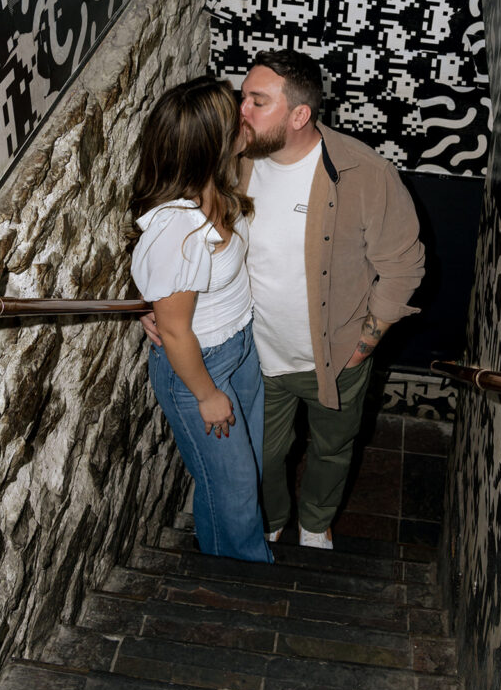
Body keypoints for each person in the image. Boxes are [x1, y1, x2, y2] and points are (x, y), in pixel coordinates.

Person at [145, 50, 425, 551]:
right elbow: (185, 239)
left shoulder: (365, 173)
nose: (241, 112)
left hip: (337, 357)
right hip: (255, 356)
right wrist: (164, 312)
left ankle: (316, 522)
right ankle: (271, 518)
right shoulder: (233, 161)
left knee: (332, 449)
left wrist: (367, 339)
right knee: (260, 457)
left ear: (299, 115)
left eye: (257, 101)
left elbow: (404, 264)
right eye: (242, 97)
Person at [129, 77, 273, 564]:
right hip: (201, 369)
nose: (246, 118)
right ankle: (247, 586)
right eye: (238, 116)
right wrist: (207, 394)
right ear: (214, 145)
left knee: (239, 476)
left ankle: (222, 563)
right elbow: (173, 329)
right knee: (233, 494)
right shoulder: (179, 227)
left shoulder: (220, 185)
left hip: (239, 349)